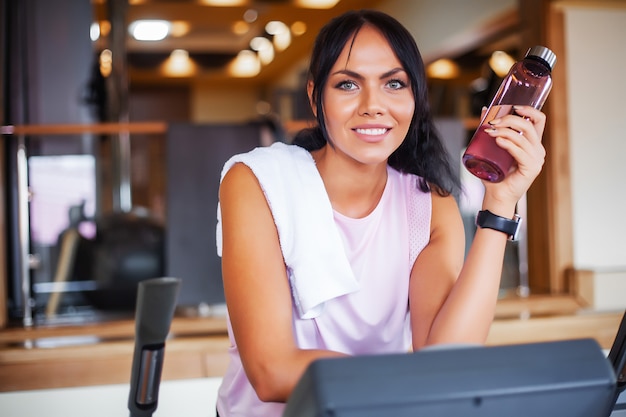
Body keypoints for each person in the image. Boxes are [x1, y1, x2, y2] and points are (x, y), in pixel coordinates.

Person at [215, 9, 546, 417]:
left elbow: (445, 359)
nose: (373, 106)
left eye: (393, 84)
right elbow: (271, 371)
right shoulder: (257, 182)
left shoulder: (430, 203)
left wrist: (500, 204)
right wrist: (409, 380)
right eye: (348, 84)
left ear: (414, 98)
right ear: (315, 96)